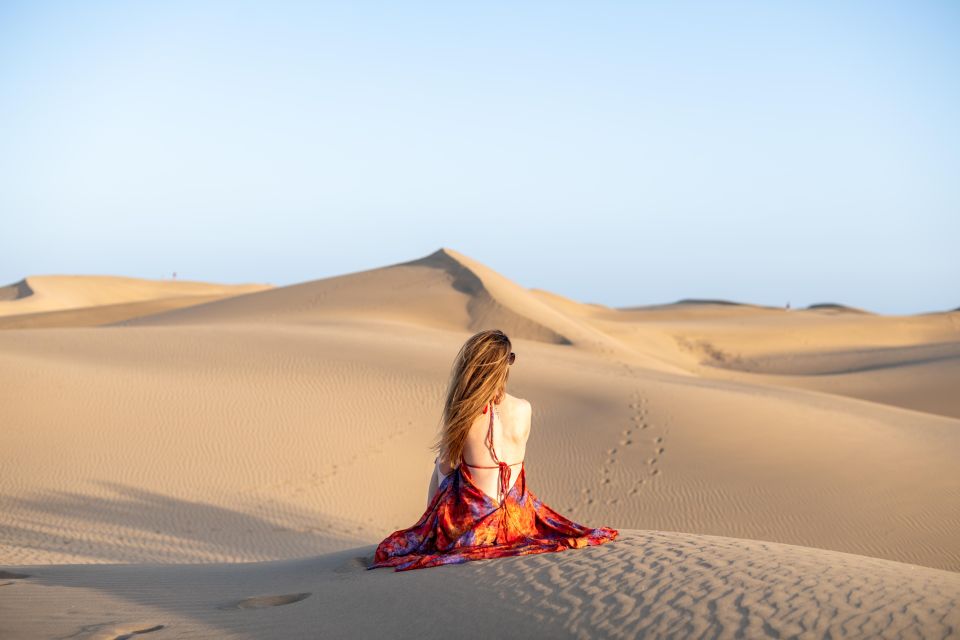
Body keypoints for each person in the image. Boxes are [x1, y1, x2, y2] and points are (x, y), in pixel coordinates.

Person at [367, 329, 619, 572]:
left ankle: (430, 530)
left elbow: (446, 468)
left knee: (441, 465)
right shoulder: (524, 408)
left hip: (473, 527)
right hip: (520, 521)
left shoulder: (465, 414)